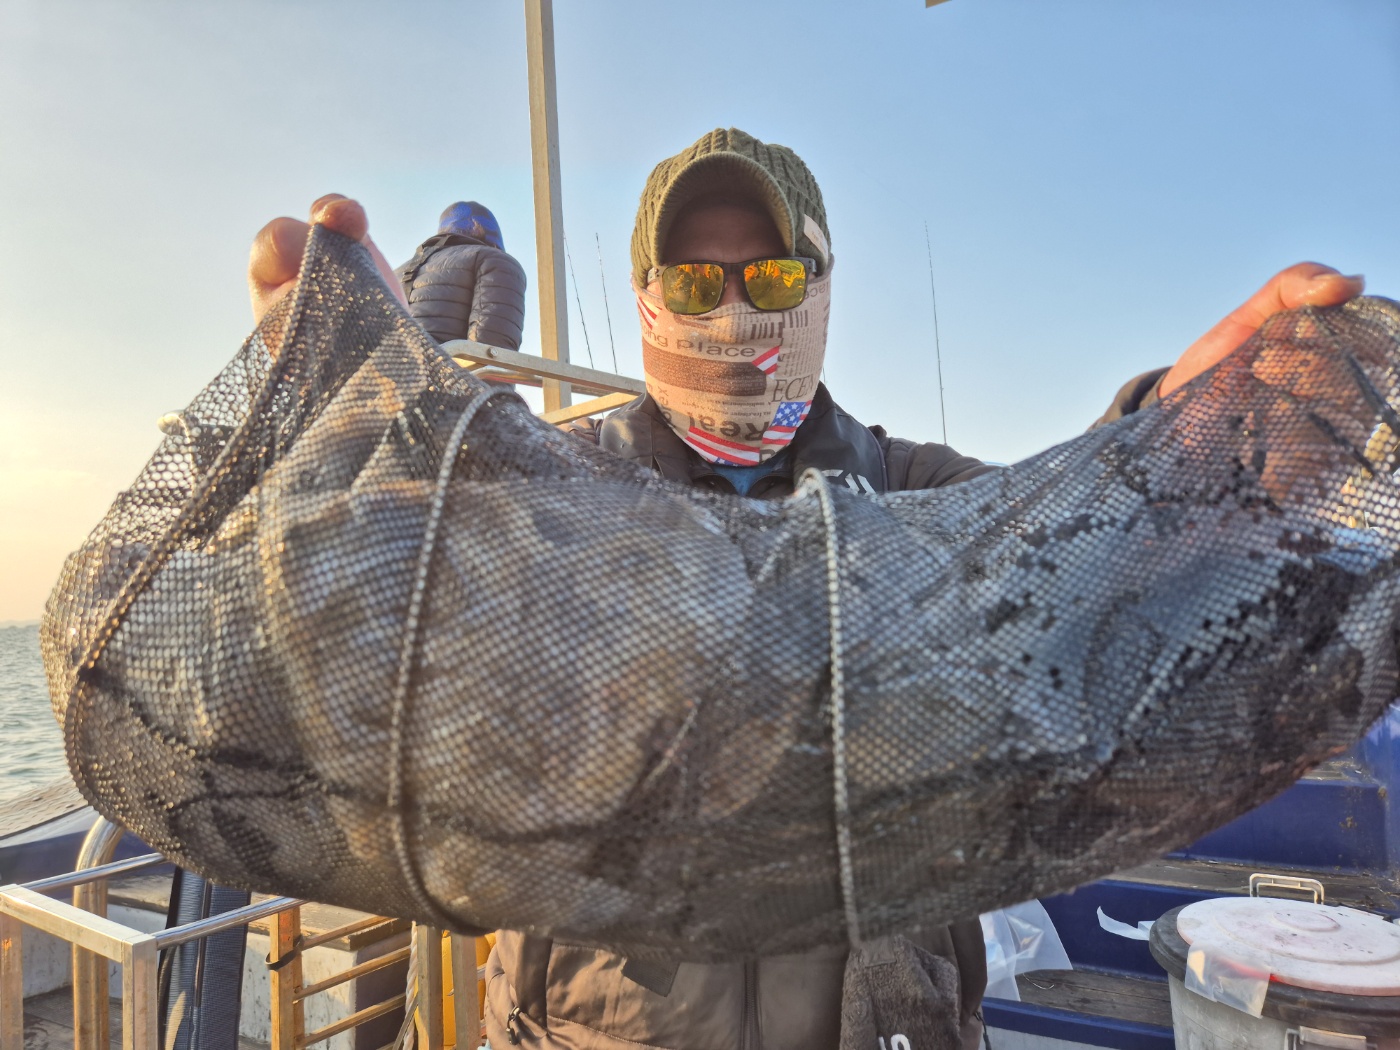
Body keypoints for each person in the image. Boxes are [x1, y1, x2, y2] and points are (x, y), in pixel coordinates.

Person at [247, 130, 1363, 1050]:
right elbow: (367, 661)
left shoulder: (917, 494)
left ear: (822, 288)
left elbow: (1074, 546)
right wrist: (345, 462)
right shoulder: (549, 497)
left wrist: (1171, 448)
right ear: (648, 301)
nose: (735, 309)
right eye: (696, 280)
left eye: (774, 276)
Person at [394, 201, 529, 352]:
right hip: (441, 366)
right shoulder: (495, 260)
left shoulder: (396, 273)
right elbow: (492, 352)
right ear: (479, 227)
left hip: (384, 365)